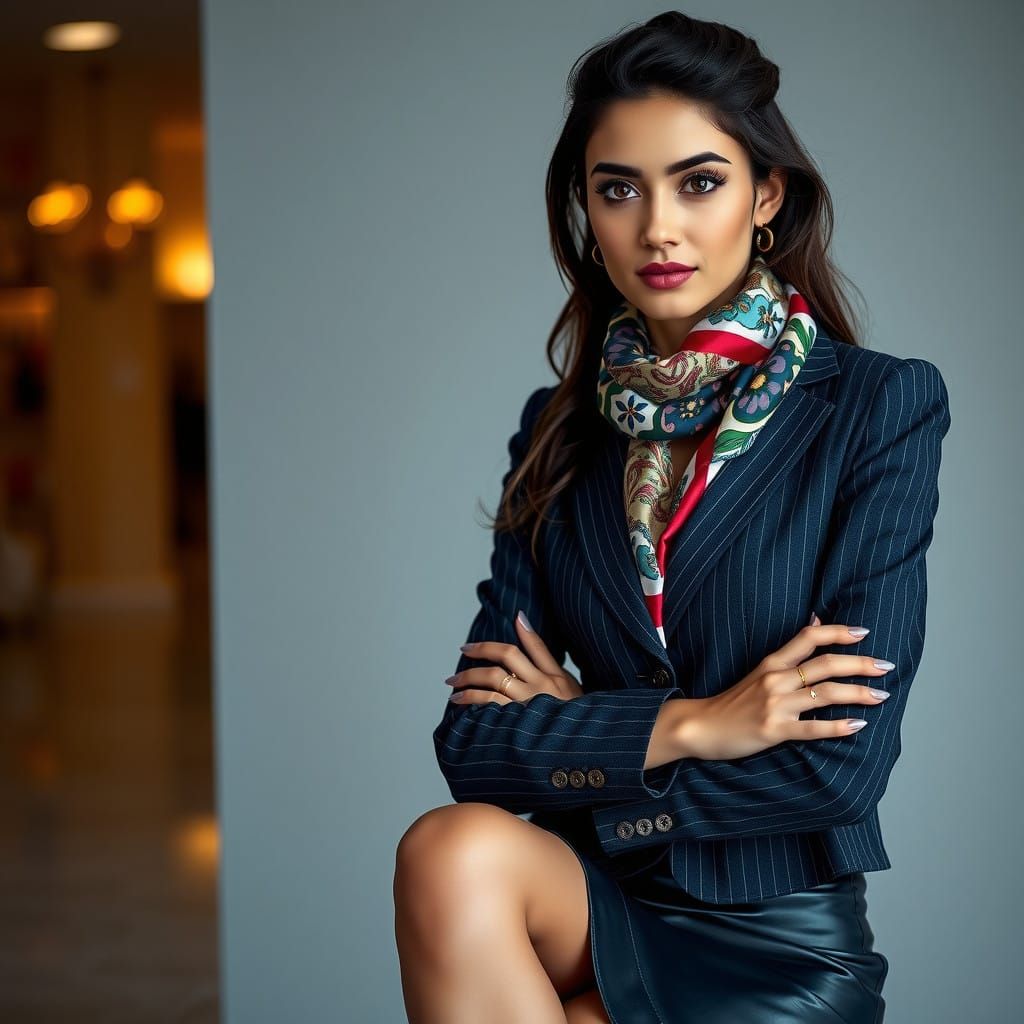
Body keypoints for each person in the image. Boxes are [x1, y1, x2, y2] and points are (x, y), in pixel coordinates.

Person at [394, 10, 951, 1023]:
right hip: (595, 905)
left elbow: (839, 769)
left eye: (698, 182)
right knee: (449, 848)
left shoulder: (875, 405)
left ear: (765, 194)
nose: (657, 227)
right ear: (587, 209)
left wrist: (589, 739)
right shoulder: (559, 428)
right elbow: (473, 746)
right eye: (619, 189)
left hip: (778, 941)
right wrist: (697, 723)